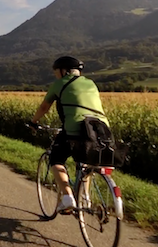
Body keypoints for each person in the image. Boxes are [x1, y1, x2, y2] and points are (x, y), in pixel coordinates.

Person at [29, 56, 109, 214]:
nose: (55, 75)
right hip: (100, 129)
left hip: (75, 129)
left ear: (63, 71)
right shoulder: (90, 83)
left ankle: (67, 198)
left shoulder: (59, 84)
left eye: (56, 72)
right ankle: (85, 198)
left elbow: (45, 107)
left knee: (56, 159)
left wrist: (33, 122)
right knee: (84, 162)